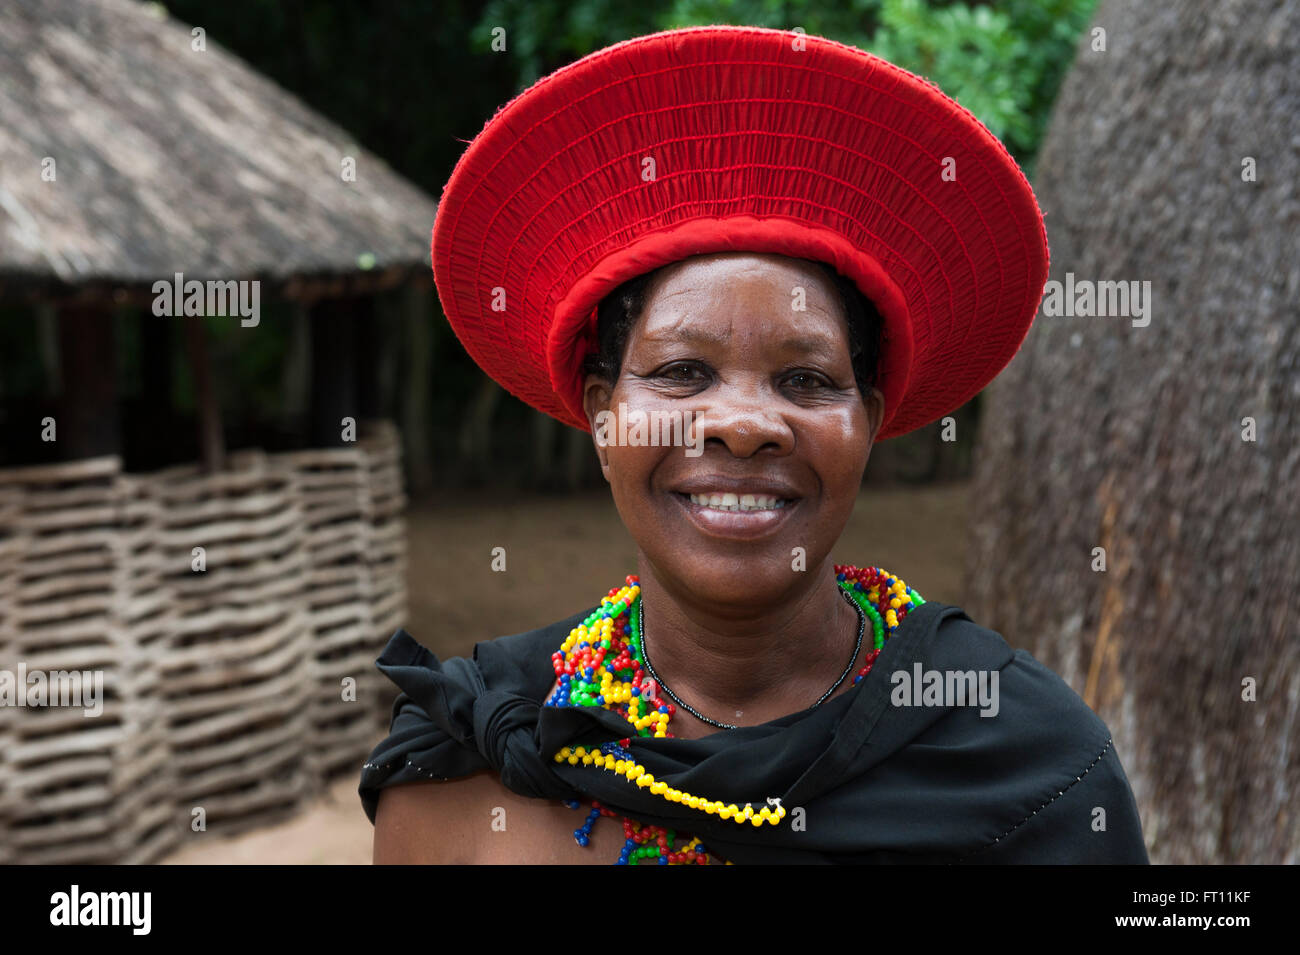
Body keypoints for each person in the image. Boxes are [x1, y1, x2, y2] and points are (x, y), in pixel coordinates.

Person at [359, 25, 1149, 864]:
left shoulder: (1028, 771)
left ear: (870, 420)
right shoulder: (473, 769)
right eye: (682, 369)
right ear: (602, 414)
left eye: (806, 380)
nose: (742, 422)